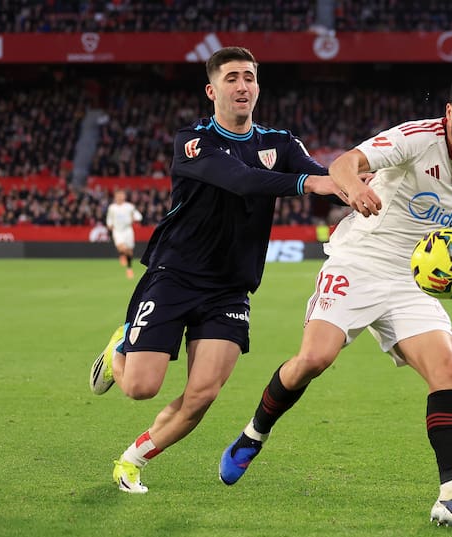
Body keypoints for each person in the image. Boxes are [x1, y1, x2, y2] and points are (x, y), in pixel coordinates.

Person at [219, 69, 452, 531]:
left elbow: (450, 193)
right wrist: (355, 187)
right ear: (449, 112)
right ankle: (254, 434)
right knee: (314, 359)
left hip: (410, 280)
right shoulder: (416, 138)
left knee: (447, 369)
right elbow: (344, 164)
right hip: (358, 262)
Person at [88, 46, 344, 494]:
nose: (242, 86)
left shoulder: (281, 143)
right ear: (212, 90)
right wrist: (310, 182)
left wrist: (392, 186)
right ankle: (118, 351)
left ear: (258, 87)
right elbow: (242, 180)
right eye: (231, 78)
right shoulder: (193, 141)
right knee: (141, 387)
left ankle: (131, 460)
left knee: (202, 394)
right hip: (174, 275)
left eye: (249, 77)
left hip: (230, 288)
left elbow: (330, 181)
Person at [106, 189, 143, 279]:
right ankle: (122, 254)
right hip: (117, 231)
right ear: (115, 197)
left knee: (129, 251)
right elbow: (109, 218)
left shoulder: (129, 207)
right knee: (122, 247)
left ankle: (129, 268)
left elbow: (139, 217)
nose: (120, 197)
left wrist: (134, 218)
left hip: (128, 230)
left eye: (121, 195)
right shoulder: (112, 208)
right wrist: (109, 224)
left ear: (124, 197)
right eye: (118, 195)